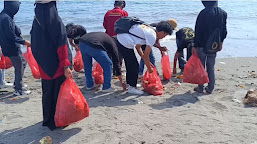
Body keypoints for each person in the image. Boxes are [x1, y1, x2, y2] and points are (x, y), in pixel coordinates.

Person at [30, 1, 73, 131]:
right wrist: (66, 65)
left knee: (47, 92)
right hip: (58, 63)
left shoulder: (36, 22)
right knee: (57, 92)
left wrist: (40, 61)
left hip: (44, 63)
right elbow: (62, 45)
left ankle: (47, 119)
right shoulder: (56, 21)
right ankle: (57, 120)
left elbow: (34, 45)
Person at [116, 21, 173, 95]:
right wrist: (149, 69)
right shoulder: (152, 36)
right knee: (133, 65)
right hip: (124, 40)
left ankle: (131, 84)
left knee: (132, 64)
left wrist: (146, 61)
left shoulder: (150, 30)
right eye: (165, 35)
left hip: (123, 37)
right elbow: (146, 55)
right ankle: (132, 88)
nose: (164, 37)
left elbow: (138, 47)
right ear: (162, 32)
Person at [192, 0, 227, 94]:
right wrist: (221, 42)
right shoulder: (223, 13)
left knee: (201, 67)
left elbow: (198, 31)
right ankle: (210, 88)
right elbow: (224, 30)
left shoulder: (203, 13)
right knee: (211, 66)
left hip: (202, 45)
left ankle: (200, 87)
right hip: (214, 44)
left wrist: (195, 45)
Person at [0, 1, 31, 95]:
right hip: (11, 47)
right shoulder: (5, 18)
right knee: (19, 66)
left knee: (23, 62)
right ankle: (19, 89)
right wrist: (24, 42)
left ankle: (18, 83)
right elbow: (11, 36)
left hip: (10, 46)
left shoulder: (5, 15)